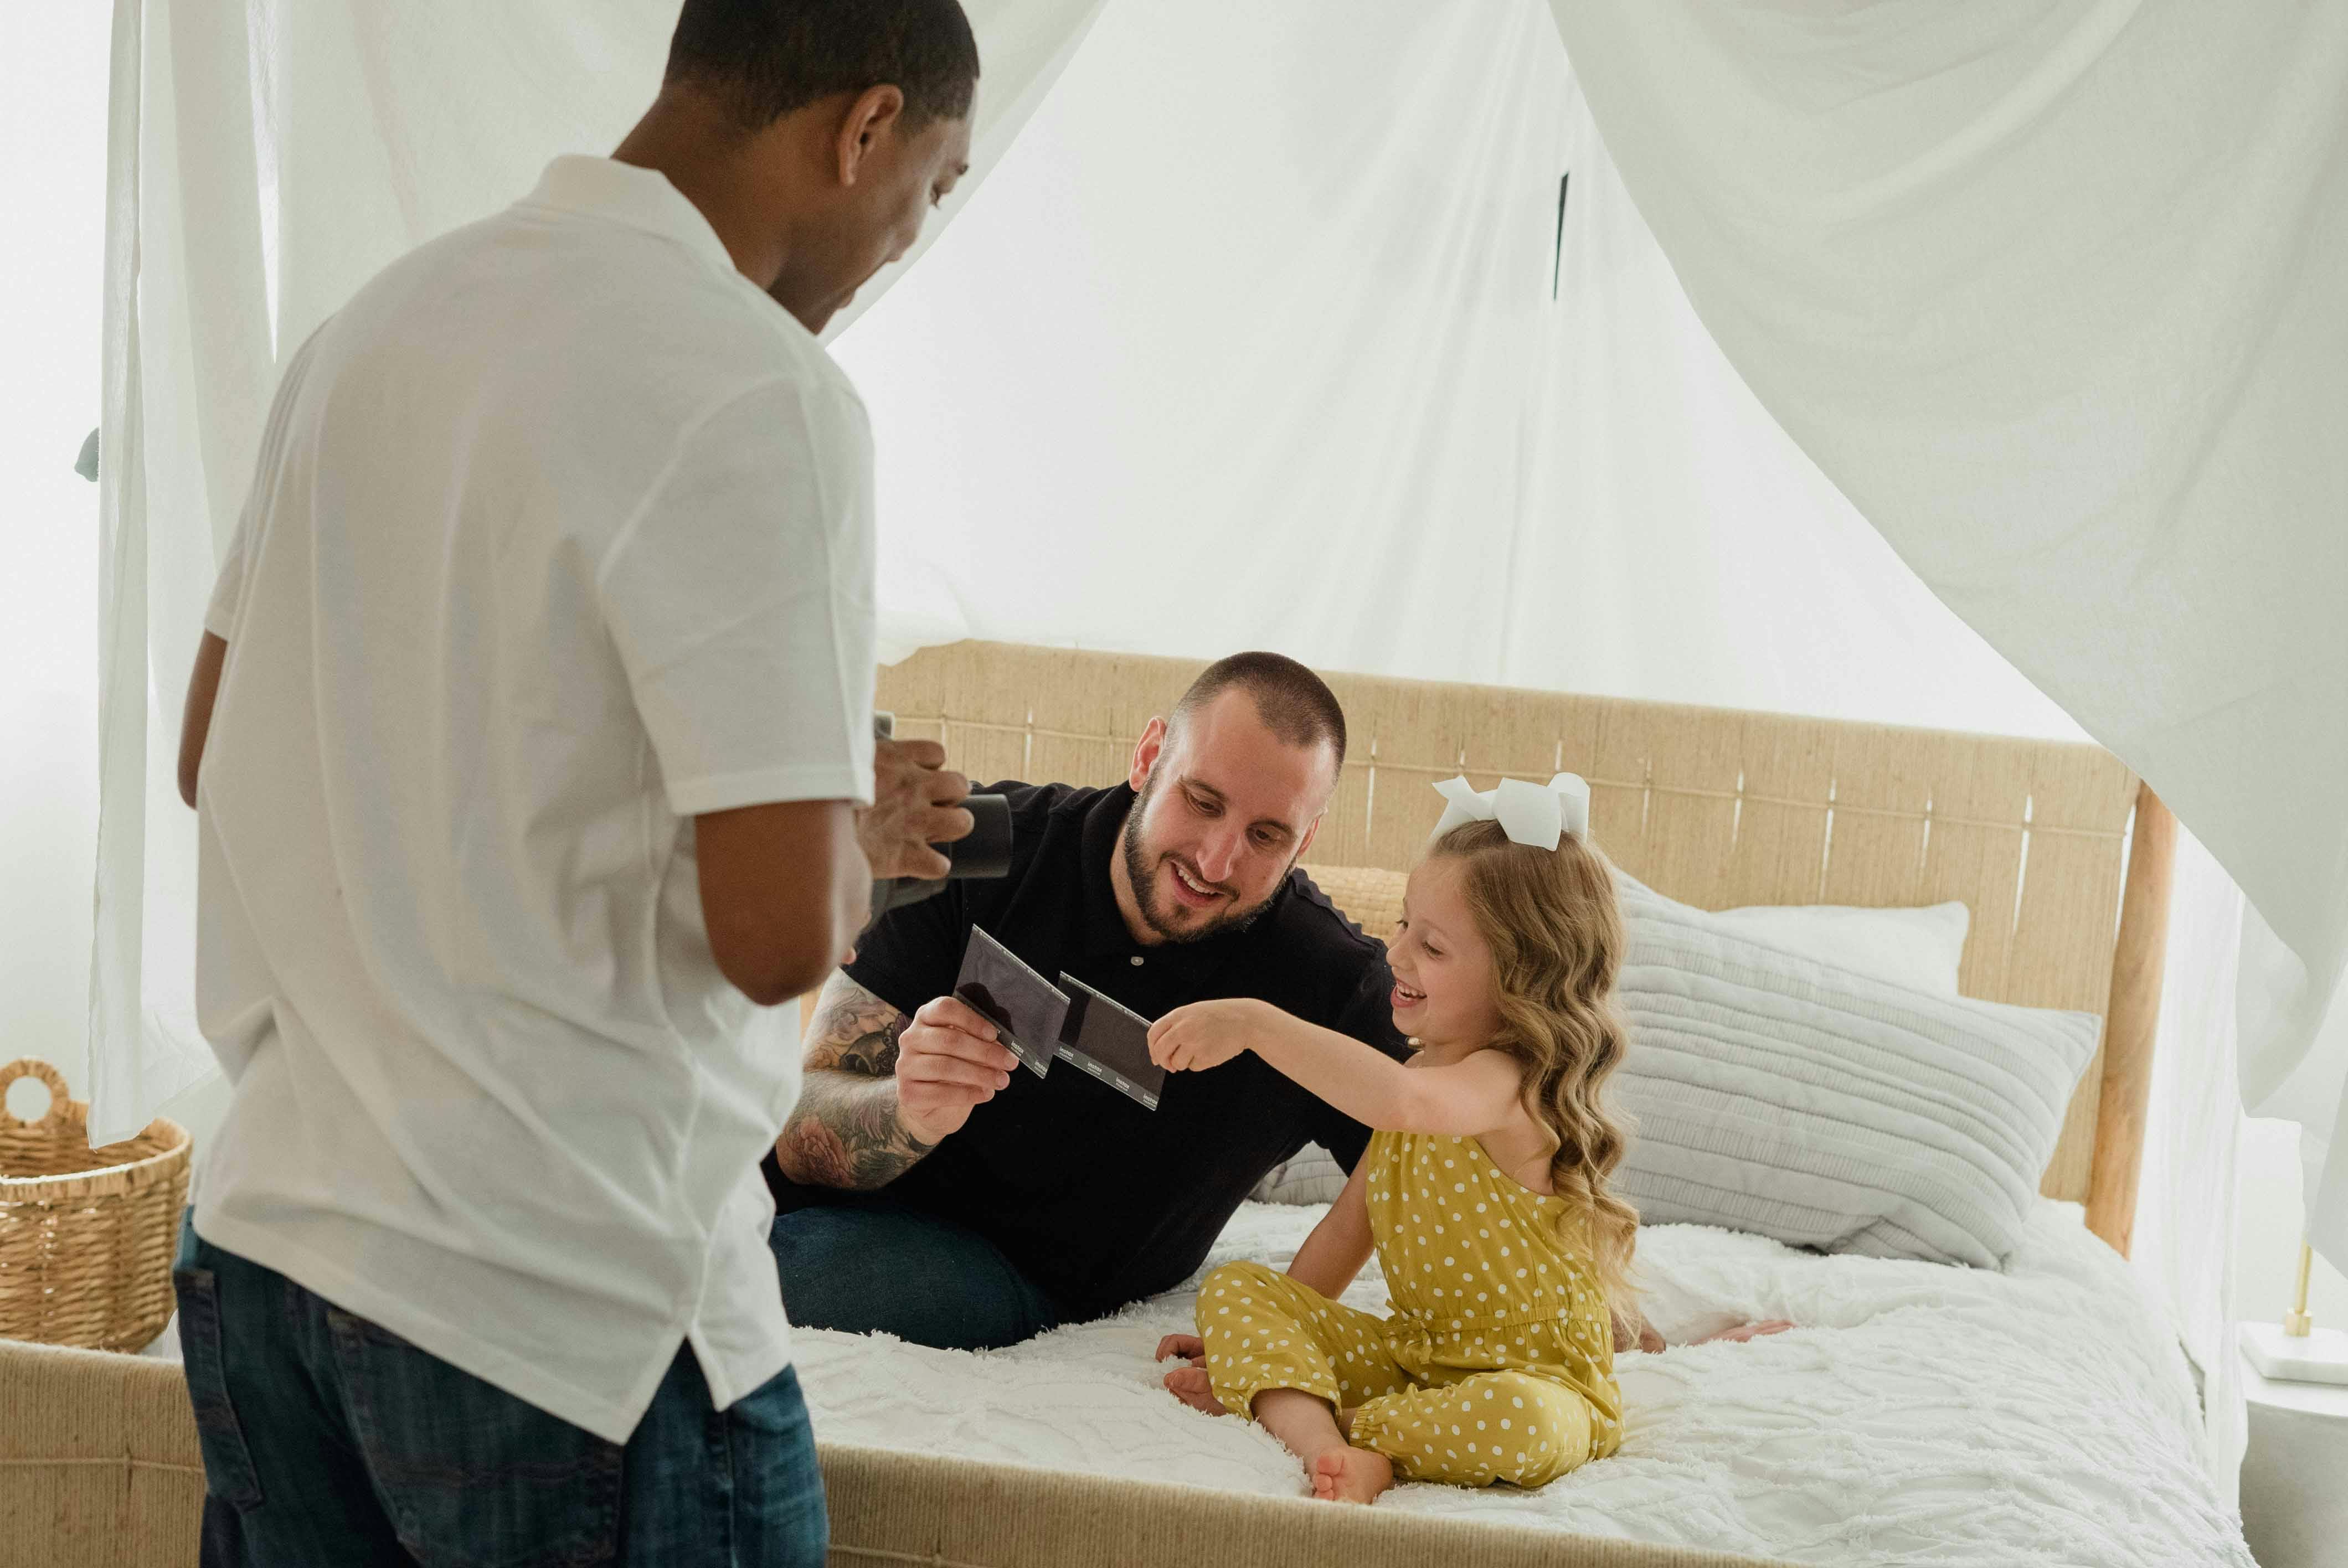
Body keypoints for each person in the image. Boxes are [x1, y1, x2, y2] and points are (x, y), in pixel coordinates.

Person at [168, 3, 980, 1562]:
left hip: (272, 1249)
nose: (905, 239)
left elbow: (218, 748)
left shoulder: (375, 325)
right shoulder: (764, 391)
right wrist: (847, 845)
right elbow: (775, 940)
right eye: (934, 188)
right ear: (864, 127)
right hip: (556, 1302)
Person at [1144, 782, 1783, 1504]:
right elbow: (1346, 1229)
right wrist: (1279, 1334)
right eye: (1405, 923)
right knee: (1238, 1287)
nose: (1399, 951)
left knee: (1527, 1423)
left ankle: (1326, 1420)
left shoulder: (1511, 1087)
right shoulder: (1423, 1079)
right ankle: (1324, 1438)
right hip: (1416, 1358)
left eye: (1433, 944)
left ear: (1520, 976)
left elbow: (1403, 1100)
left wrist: (1259, 1025)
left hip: (1536, 1383)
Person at [765, 653, 1415, 1348]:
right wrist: (908, 1111)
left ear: (1306, 839)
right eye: (1202, 802)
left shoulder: (1334, 984)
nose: (1216, 862)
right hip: (789, 1194)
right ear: (1148, 758)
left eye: (1266, 836)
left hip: (1003, 1268)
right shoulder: (984, 843)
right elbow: (799, 1126)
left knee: (747, 1279)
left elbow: (1440, 1174)